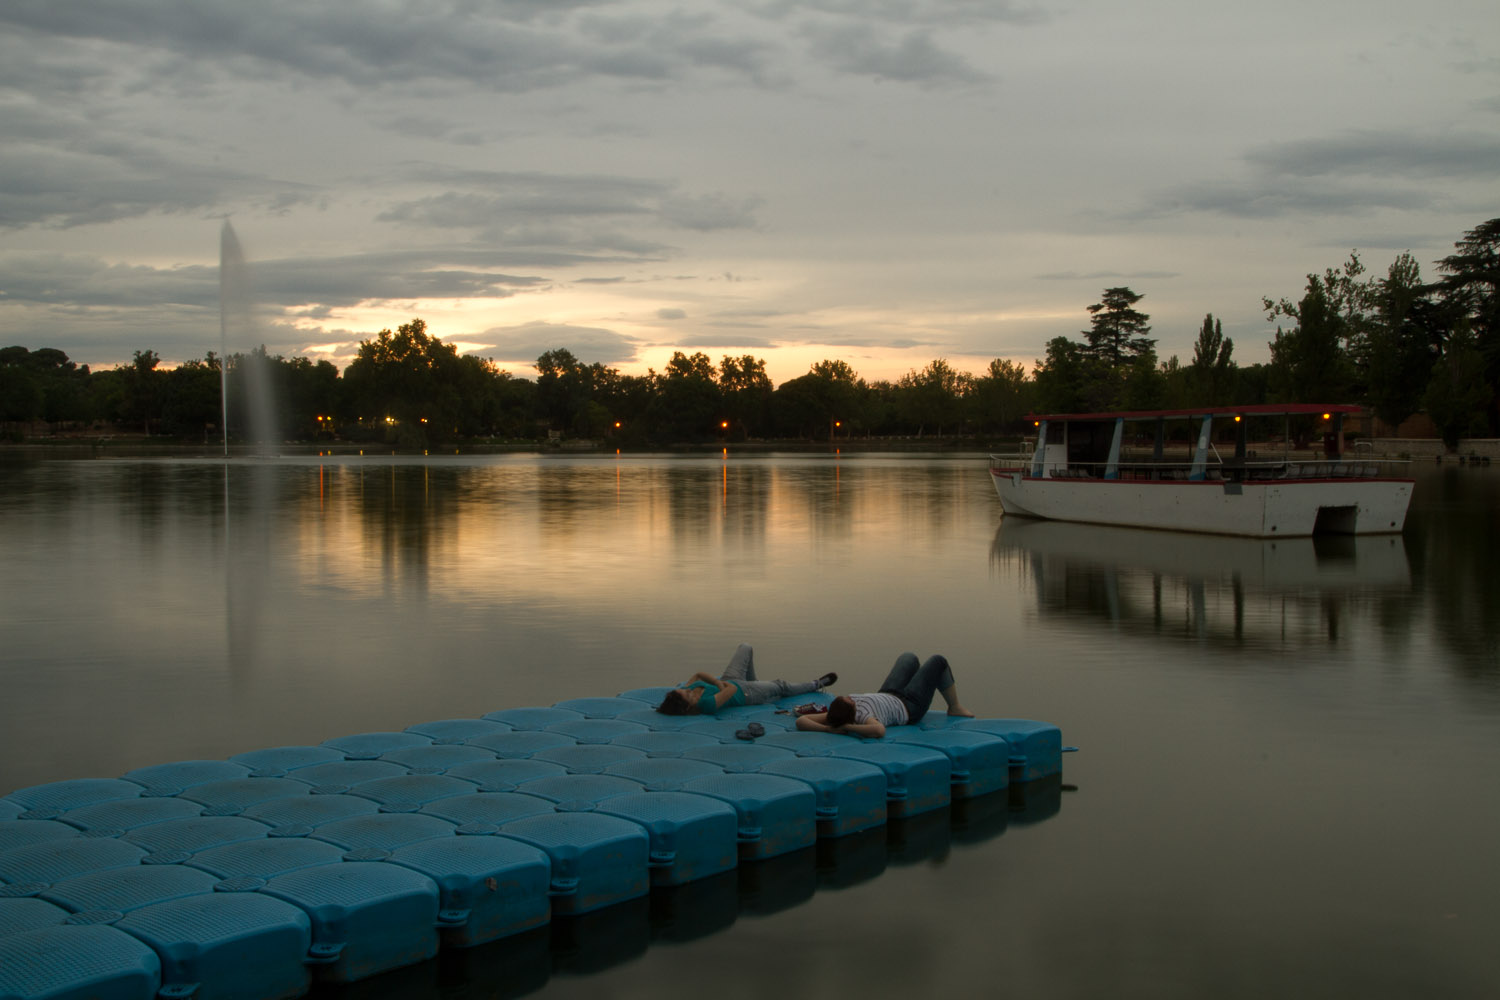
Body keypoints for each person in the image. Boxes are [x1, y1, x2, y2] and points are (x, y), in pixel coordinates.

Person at [795, 652, 973, 738]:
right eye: (849, 701)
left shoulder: (834, 715)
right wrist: (849, 728)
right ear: (852, 712)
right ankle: (954, 706)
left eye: (844, 697)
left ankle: (948, 700)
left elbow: (801, 721)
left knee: (908, 658)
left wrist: (827, 728)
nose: (849, 697)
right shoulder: (862, 717)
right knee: (938, 661)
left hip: (888, 693)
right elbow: (879, 731)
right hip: (909, 707)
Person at [657, 643, 836, 715]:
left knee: (746, 647)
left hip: (730, 679)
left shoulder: (691, 690)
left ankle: (759, 685)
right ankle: (815, 684)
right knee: (780, 685)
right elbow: (732, 691)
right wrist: (722, 685)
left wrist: (719, 682)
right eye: (688, 694)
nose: (689, 689)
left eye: (685, 689)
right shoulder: (706, 704)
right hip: (745, 693)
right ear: (689, 705)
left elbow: (698, 675)